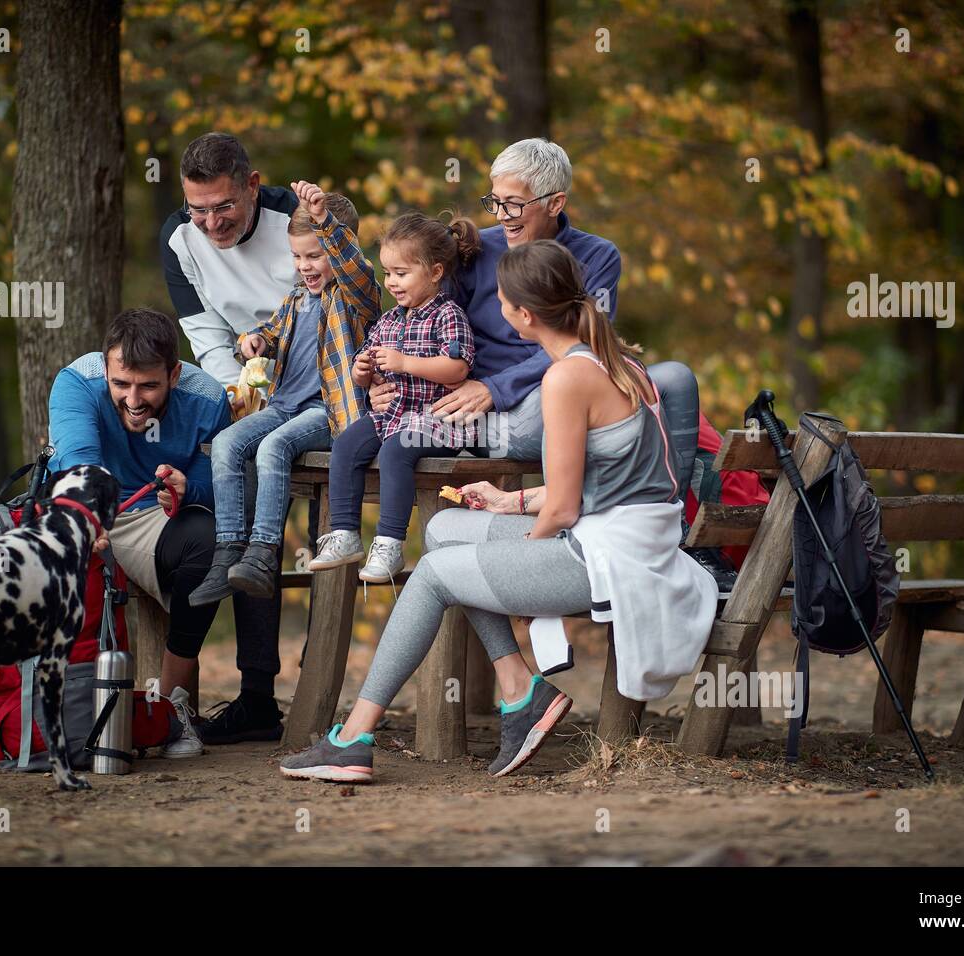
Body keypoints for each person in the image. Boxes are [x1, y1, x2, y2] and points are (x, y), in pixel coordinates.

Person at [281, 241, 717, 783]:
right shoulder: (615, 359)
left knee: (440, 571)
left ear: (524, 314)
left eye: (502, 300)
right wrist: (510, 502)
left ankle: (353, 737)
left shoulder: (566, 379)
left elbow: (560, 508)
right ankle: (519, 689)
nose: (497, 308)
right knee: (443, 529)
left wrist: (516, 567)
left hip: (613, 559)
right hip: (619, 534)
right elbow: (588, 488)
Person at [158, 131, 295, 743]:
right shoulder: (179, 242)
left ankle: (274, 692)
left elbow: (348, 304)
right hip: (243, 384)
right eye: (198, 209)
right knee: (223, 493)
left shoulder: (298, 216)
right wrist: (241, 393)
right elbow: (206, 336)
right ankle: (254, 700)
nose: (212, 222)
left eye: (224, 206)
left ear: (252, 185)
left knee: (269, 477)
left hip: (320, 378)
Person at [47, 308, 231, 759]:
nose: (133, 399)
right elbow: (79, 461)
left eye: (148, 385)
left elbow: (224, 481)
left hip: (156, 516)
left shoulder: (207, 396)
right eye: (121, 384)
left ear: (174, 372)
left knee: (212, 545)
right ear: (106, 368)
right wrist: (89, 522)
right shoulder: (77, 380)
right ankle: (15, 707)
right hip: (85, 507)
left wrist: (190, 488)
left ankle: (170, 708)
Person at [367, 138, 621, 462]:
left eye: (513, 204)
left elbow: (588, 342)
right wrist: (382, 383)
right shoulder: (478, 249)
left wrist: (496, 388)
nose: (501, 215)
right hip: (475, 407)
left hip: (552, 389)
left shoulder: (598, 256)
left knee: (666, 384)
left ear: (555, 204)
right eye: (495, 201)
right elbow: (423, 324)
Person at [189, 182, 380, 604]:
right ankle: (229, 549)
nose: (305, 266)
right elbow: (269, 333)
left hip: (328, 412)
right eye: (297, 257)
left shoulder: (354, 297)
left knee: (272, 447)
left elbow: (356, 269)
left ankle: (262, 551)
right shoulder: (296, 299)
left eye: (315, 256)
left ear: (338, 247)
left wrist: (325, 219)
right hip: (285, 405)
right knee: (226, 443)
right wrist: (252, 342)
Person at [307, 212, 480, 584]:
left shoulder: (447, 315)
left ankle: (389, 543)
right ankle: (345, 534)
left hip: (437, 419)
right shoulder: (388, 320)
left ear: (434, 273)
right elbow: (367, 367)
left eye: (401, 273)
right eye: (387, 274)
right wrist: (362, 372)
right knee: (348, 442)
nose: (392, 283)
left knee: (396, 451)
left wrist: (405, 362)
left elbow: (457, 369)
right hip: (393, 414)